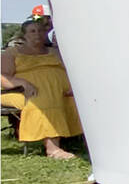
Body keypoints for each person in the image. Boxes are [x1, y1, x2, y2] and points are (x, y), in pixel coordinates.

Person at [0, 15, 83, 158]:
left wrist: (72, 85)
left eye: (40, 31)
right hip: (21, 92)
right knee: (43, 99)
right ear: (24, 35)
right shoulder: (12, 53)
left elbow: (69, 70)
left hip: (59, 91)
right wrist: (23, 83)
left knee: (81, 99)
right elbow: (3, 77)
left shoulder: (54, 52)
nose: (37, 34)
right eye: (32, 31)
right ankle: (53, 149)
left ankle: (86, 142)